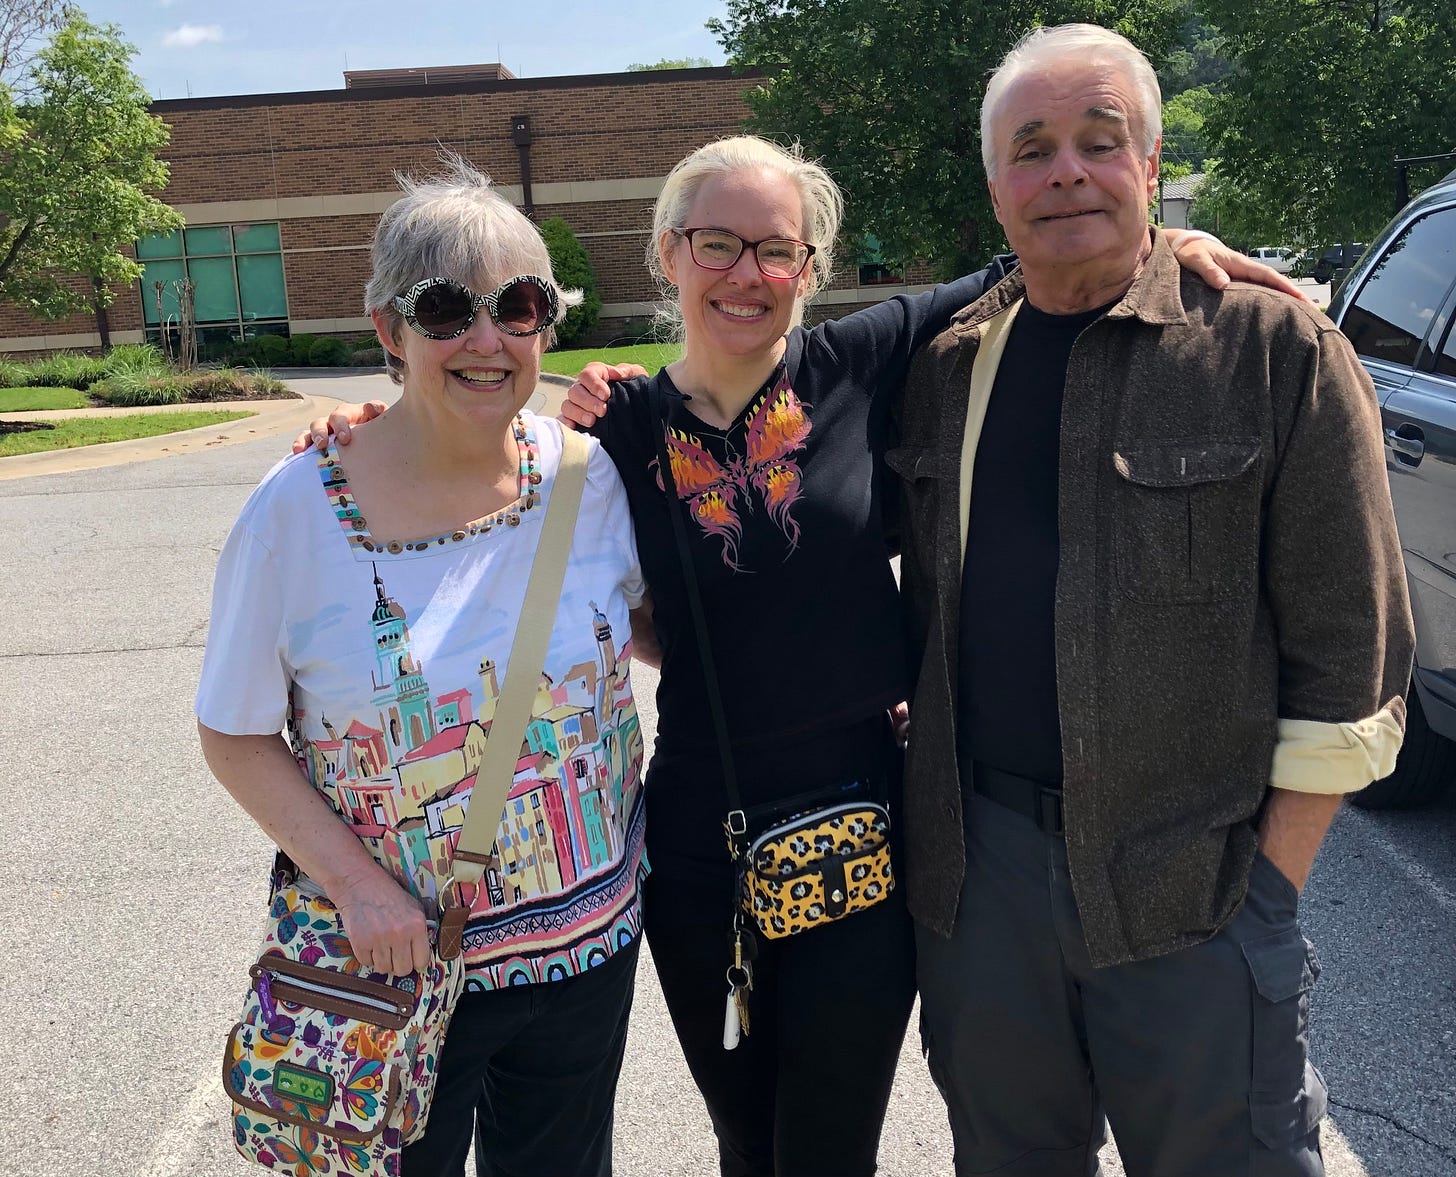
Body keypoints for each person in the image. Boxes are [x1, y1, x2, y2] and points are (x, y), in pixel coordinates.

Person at [299, 137, 1299, 1177]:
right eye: (716, 244)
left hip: (861, 826)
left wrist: (1166, 237)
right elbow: (486, 477)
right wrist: (364, 422)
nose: (747, 273)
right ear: (667, 253)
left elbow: (1036, 258)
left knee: (827, 1149)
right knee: (746, 1137)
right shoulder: (609, 430)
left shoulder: (864, 360)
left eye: (777, 250)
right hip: (697, 843)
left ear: (811, 269)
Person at [892, 24, 1415, 1177]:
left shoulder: (1270, 350)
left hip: (1197, 887)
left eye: (1099, 139)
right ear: (994, 188)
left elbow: (1354, 648)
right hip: (980, 886)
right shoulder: (944, 370)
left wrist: (1266, 889)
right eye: (1031, 149)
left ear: (1151, 160)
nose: (1065, 169)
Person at [196, 156, 651, 1177]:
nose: (486, 339)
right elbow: (232, 730)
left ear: (547, 322)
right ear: (388, 330)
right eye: (446, 310)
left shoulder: (593, 477)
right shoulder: (296, 511)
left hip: (583, 954)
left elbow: (663, 628)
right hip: (389, 964)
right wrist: (357, 887)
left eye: (518, 307)